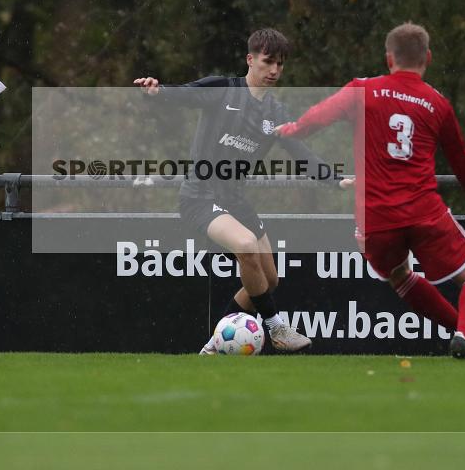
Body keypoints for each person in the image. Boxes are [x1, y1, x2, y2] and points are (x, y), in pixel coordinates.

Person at [276, 22, 465, 361]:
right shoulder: (437, 103)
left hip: (375, 218)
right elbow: (462, 161)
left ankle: (464, 332)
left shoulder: (363, 89)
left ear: (390, 59)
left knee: (399, 277)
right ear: (427, 58)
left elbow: (318, 116)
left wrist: (291, 130)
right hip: (422, 211)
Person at [135, 28, 333, 354]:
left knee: (269, 281)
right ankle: (276, 328)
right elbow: (183, 94)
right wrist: (157, 91)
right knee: (245, 246)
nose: (274, 71)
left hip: (236, 201)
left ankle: (214, 346)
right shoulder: (223, 89)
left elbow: (301, 154)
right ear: (250, 59)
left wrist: (334, 179)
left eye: (280, 65)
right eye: (268, 62)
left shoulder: (276, 113)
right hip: (199, 197)